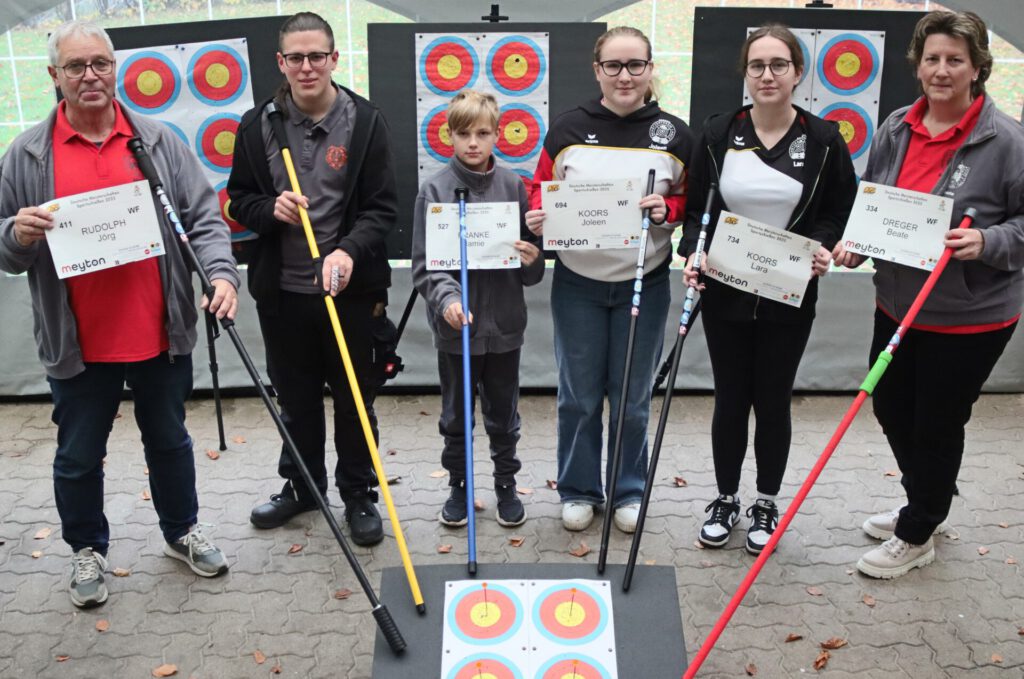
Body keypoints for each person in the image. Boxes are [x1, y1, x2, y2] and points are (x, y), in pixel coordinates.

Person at [0, 21, 238, 608]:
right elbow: (4, 247)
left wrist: (221, 275)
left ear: (115, 67)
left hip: (160, 331)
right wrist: (18, 232)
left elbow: (203, 219)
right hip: (78, 342)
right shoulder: (29, 153)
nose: (90, 76)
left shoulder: (156, 141)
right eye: (76, 67)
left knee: (171, 440)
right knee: (79, 455)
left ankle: (181, 531)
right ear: (53, 77)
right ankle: (87, 550)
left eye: (100, 64)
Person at [833, 10, 1024, 579]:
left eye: (955, 60)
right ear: (919, 65)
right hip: (896, 306)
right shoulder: (896, 126)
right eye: (933, 59)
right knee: (892, 408)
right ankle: (926, 502)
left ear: (977, 67)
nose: (942, 71)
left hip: (968, 316)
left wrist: (988, 240)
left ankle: (919, 531)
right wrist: (857, 245)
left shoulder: (1008, 141)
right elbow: (879, 208)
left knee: (936, 424)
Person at [681, 24, 856, 554]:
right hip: (726, 293)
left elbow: (836, 212)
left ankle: (765, 501)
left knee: (773, 400)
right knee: (731, 399)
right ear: (745, 73)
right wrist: (695, 250)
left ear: (798, 73)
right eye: (757, 65)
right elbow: (696, 215)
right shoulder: (716, 133)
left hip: (789, 293)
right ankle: (726, 498)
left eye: (779, 64)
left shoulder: (825, 139)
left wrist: (824, 247)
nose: (767, 75)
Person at [227, 12, 397, 546]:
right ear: (281, 62)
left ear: (333, 59)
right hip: (284, 293)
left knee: (353, 397)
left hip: (350, 292)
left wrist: (347, 251)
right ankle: (301, 485)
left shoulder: (366, 123)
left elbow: (382, 209)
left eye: (316, 56)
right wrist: (268, 209)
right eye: (295, 58)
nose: (306, 67)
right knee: (296, 399)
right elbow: (238, 198)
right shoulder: (257, 126)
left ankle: (358, 492)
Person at [526, 26, 694, 533]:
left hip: (646, 282)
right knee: (578, 395)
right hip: (578, 284)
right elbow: (541, 188)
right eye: (614, 66)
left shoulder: (674, 134)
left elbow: (690, 201)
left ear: (649, 69)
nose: (625, 76)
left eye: (635, 65)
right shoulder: (568, 128)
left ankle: (628, 490)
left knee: (631, 395)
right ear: (597, 70)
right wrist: (538, 214)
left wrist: (669, 208)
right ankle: (578, 489)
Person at [411, 90, 544, 528]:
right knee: (456, 415)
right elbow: (426, 264)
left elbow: (531, 269)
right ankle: (459, 486)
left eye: (482, 133)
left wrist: (532, 258)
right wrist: (447, 299)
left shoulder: (512, 186)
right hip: (457, 331)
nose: (473, 142)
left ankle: (505, 483)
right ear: (449, 135)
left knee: (503, 415)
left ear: (497, 135)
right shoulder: (434, 189)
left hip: (505, 327)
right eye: (464, 133)